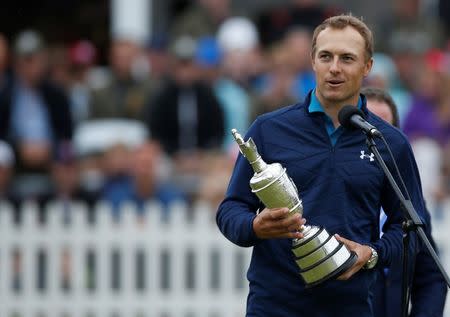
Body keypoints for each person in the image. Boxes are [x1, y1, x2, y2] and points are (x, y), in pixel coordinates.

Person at [216, 14, 427, 316]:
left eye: (347, 58)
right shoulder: (268, 130)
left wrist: (372, 254)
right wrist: (254, 226)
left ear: (367, 67)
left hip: (349, 307)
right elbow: (230, 210)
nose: (334, 68)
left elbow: (410, 228)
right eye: (325, 56)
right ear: (313, 61)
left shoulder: (388, 142)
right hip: (274, 306)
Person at [362, 87, 447, 317]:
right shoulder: (335, 193)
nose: (372, 138)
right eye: (364, 126)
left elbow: (431, 277)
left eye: (382, 129)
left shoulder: (409, 202)